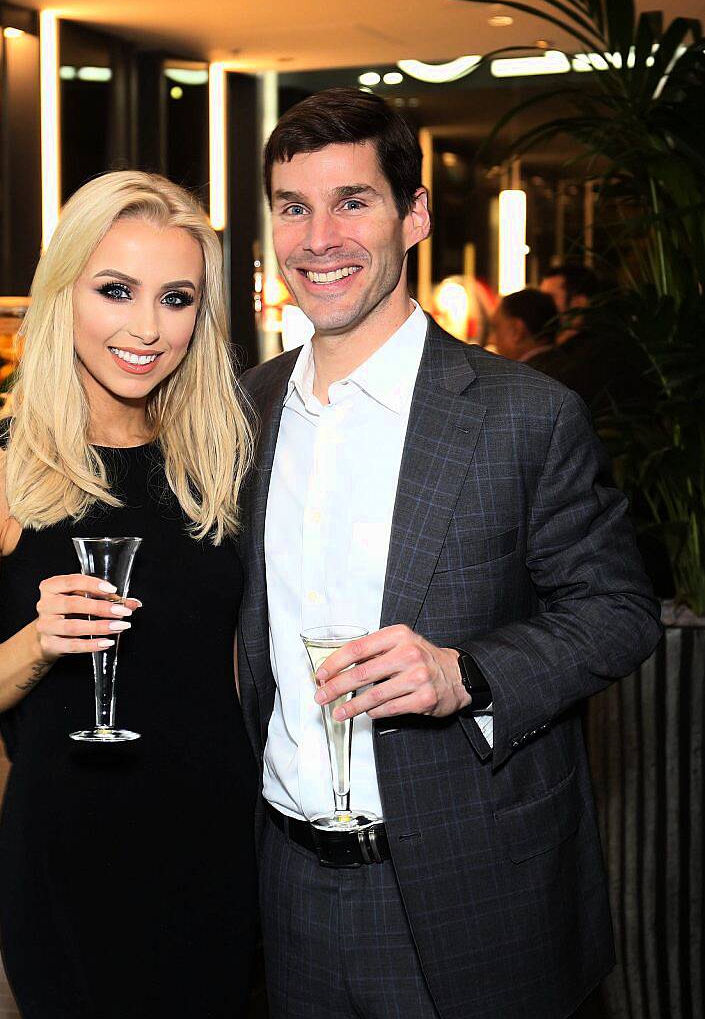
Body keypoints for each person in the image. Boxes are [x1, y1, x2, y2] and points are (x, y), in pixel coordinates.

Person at [237, 88, 662, 1019]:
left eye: (352, 202)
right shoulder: (246, 409)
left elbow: (618, 613)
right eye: (293, 207)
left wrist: (464, 672)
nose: (319, 239)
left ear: (414, 215)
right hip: (288, 886)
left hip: (471, 888)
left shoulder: (522, 412)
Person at [0, 172, 257, 1018]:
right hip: (74, 848)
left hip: (222, 840)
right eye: (116, 291)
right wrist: (35, 642)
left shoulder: (220, 461)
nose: (147, 328)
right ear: (63, 292)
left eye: (176, 298)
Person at [489, 287, 558, 364]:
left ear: (517, 330)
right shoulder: (565, 364)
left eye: (496, 328)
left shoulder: (522, 374)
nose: (492, 340)